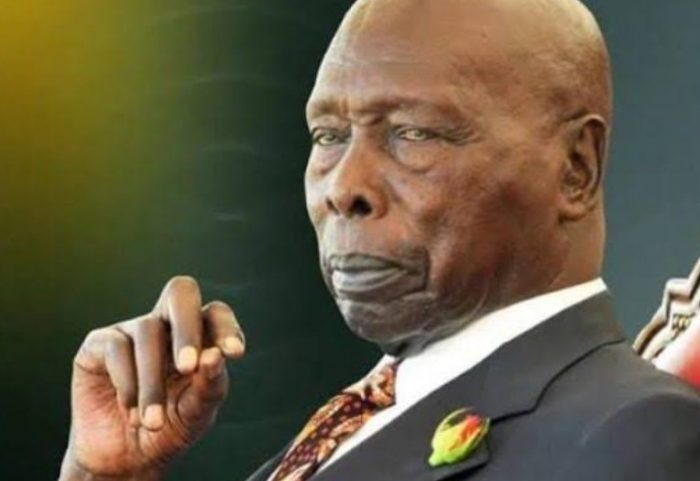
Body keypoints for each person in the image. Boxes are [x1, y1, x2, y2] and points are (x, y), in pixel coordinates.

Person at [58, 0, 700, 480]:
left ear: (575, 169)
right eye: (329, 136)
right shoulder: (353, 426)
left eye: (413, 133)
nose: (344, 187)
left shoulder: (632, 436)